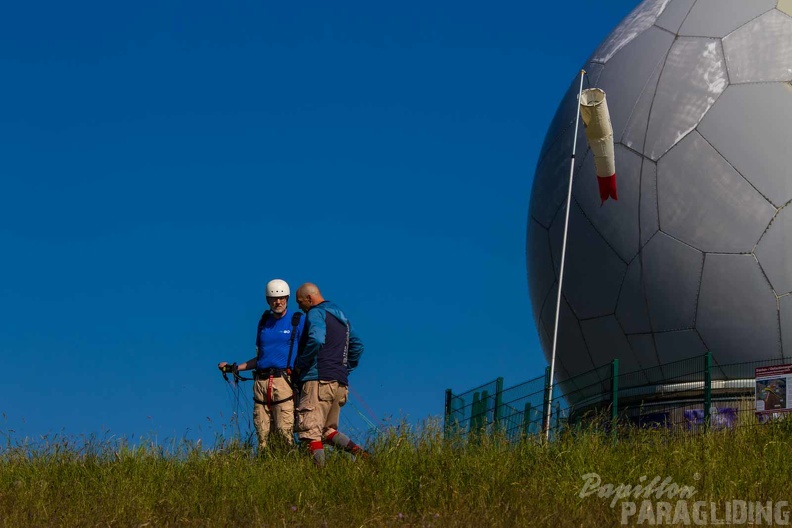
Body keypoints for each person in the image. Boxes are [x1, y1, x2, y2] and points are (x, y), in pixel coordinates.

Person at [218, 278, 305, 451]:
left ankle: (287, 466)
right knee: (262, 433)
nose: (278, 302)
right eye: (274, 298)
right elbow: (262, 357)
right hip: (261, 383)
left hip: (284, 381)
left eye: (281, 298)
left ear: (287, 299)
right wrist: (235, 367)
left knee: (284, 431)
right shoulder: (264, 322)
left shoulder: (297, 321)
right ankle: (266, 462)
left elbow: (309, 349)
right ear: (268, 300)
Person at [292, 282, 366, 467]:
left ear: (309, 298)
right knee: (327, 431)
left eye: (300, 302)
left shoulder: (315, 313)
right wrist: (343, 368)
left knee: (310, 431)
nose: (300, 307)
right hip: (340, 383)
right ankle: (365, 458)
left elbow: (316, 338)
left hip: (318, 380)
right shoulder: (342, 317)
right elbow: (358, 346)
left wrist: (301, 364)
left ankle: (319, 478)